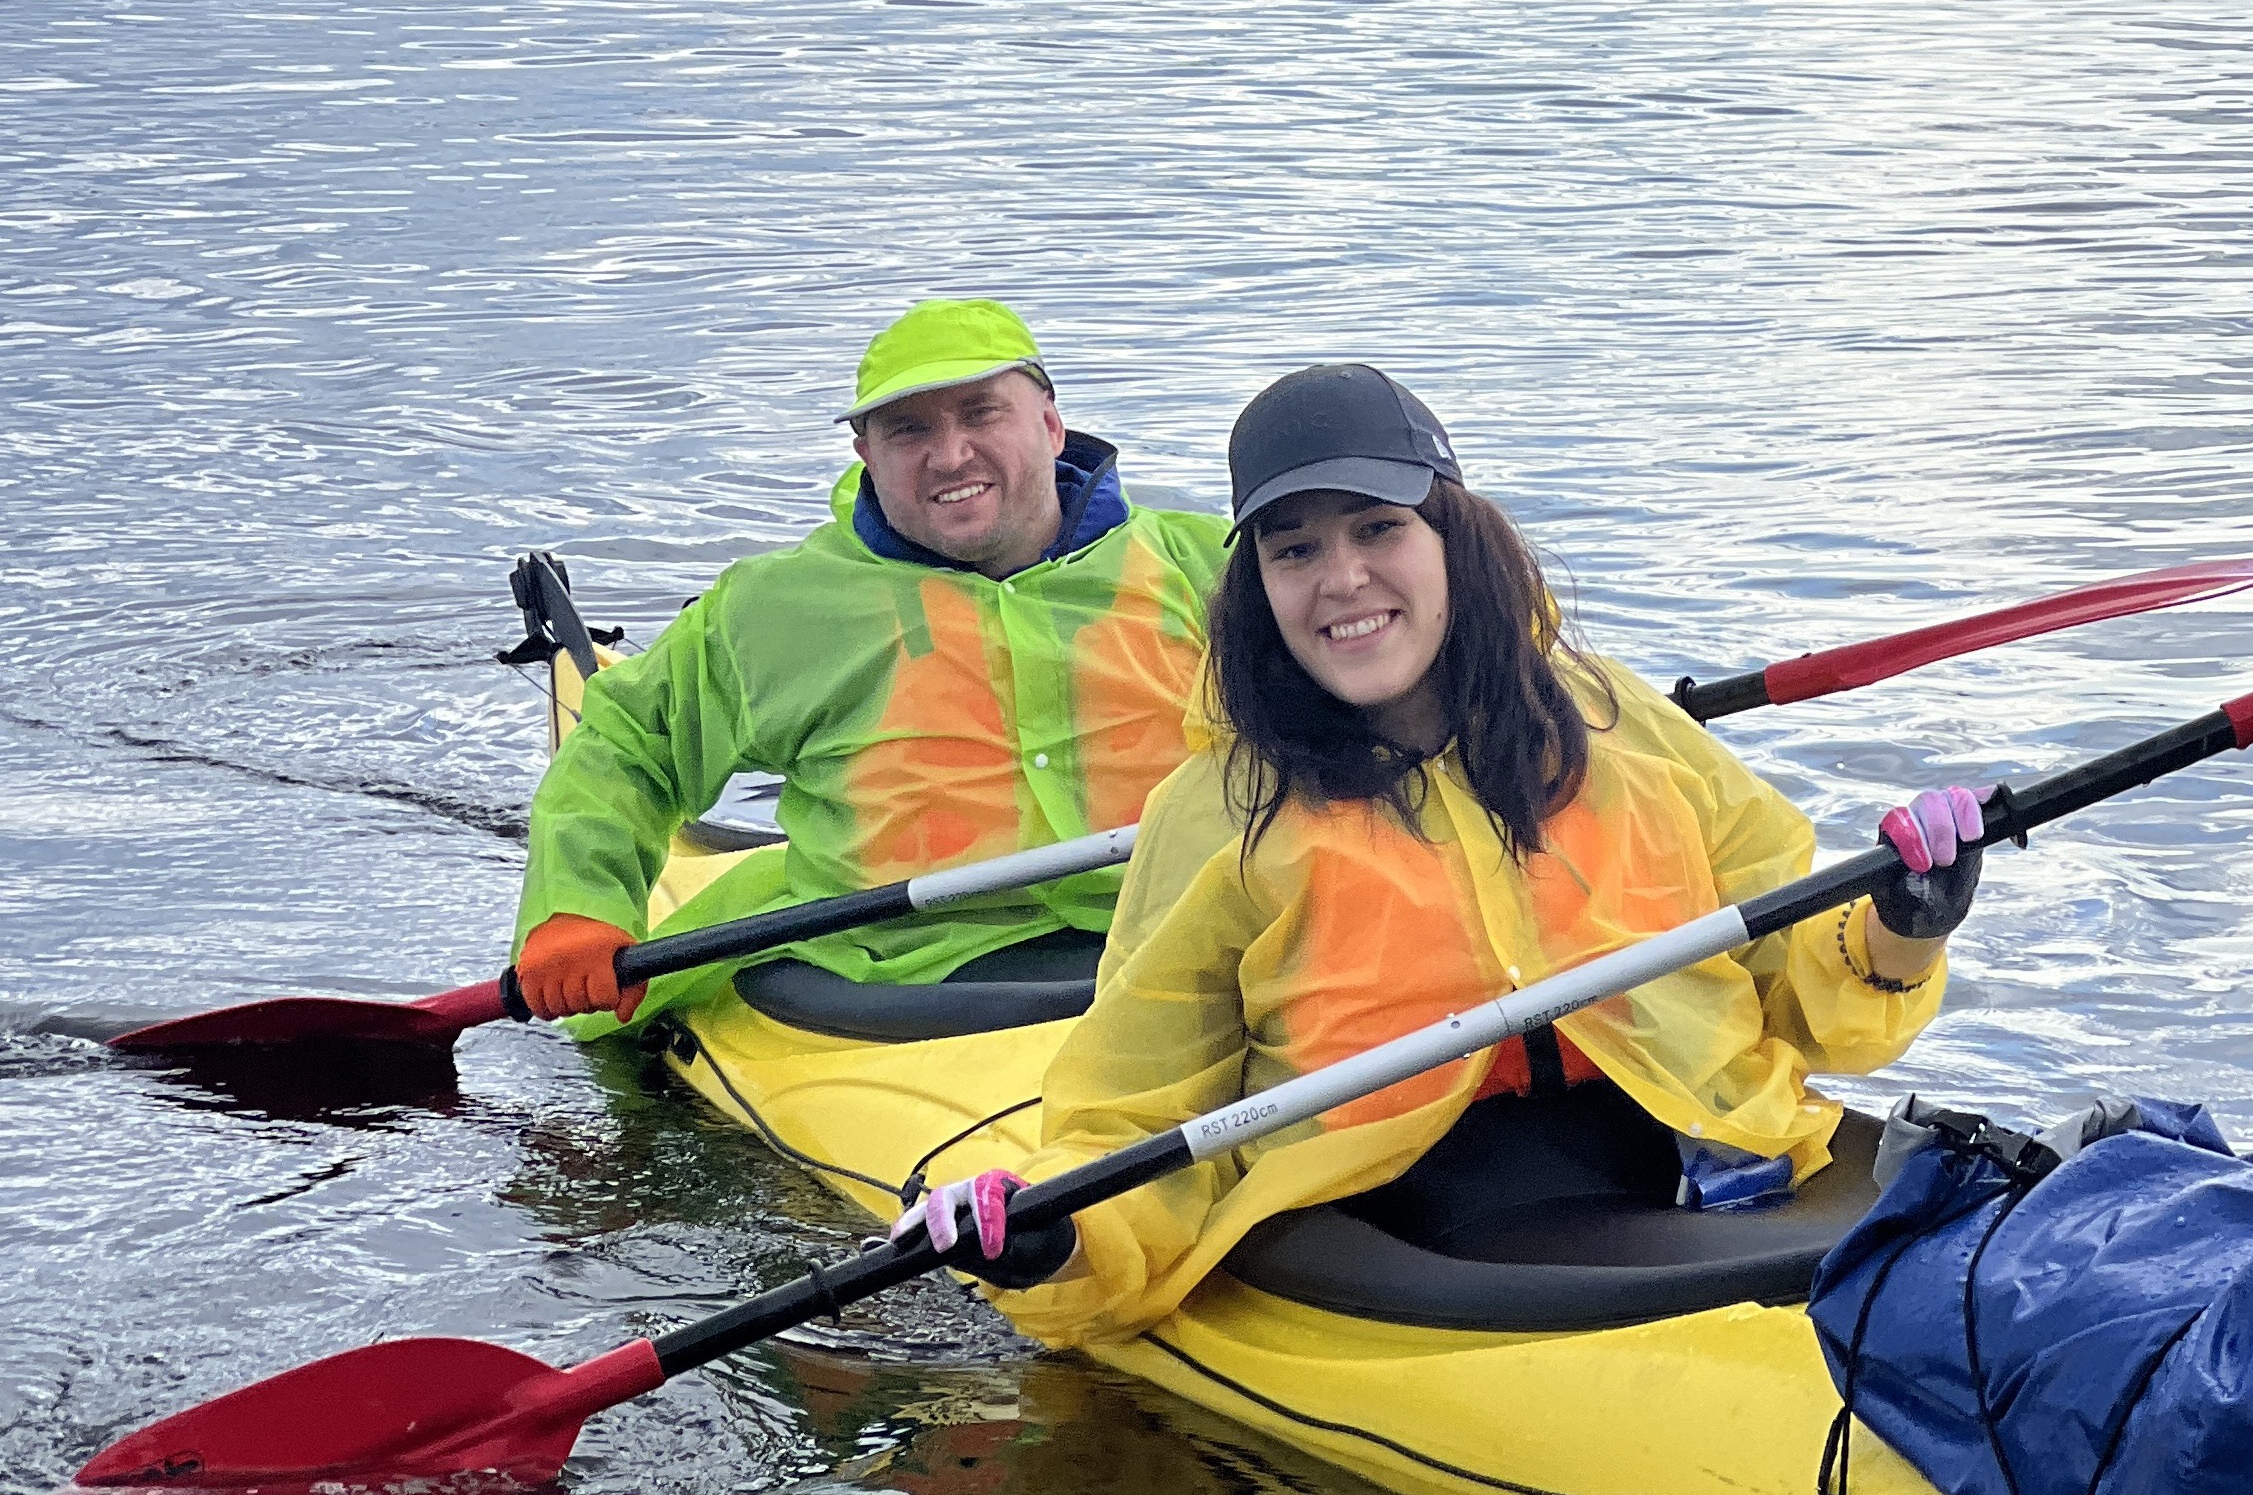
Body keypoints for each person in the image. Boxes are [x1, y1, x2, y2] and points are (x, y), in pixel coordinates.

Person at [901, 362, 1987, 1343]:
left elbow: (1799, 991)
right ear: (1257, 590)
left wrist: (1900, 928)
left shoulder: (1619, 725)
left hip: (1725, 1171)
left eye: (1378, 528)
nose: (1341, 580)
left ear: (1455, 539)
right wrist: (1056, 1238)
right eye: (1294, 550)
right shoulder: (1222, 812)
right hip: (1421, 1224)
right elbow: (1133, 1113)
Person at [512, 299, 1235, 1031]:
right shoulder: (781, 607)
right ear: (867, 456)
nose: (950, 455)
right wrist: (579, 905)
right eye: (910, 430)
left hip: (1197, 939)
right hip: (893, 972)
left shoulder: (1217, 569)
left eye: (981, 414)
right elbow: (625, 744)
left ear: (1049, 427)